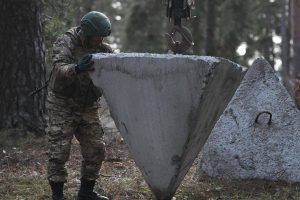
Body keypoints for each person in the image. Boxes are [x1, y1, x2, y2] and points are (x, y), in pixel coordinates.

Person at [45, 11, 113, 200]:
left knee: (96, 149)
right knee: (59, 151)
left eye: (102, 37)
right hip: (62, 104)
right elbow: (58, 69)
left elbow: (115, 71)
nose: (100, 40)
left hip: (88, 105)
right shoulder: (66, 42)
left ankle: (86, 193)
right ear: (86, 33)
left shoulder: (104, 49)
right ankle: (57, 195)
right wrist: (76, 68)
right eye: (97, 36)